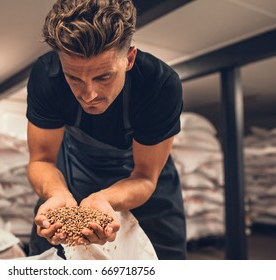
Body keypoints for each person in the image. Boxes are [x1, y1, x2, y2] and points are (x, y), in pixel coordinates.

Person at [26, 0, 186, 260]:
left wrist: (106, 199)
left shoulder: (160, 85)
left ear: (129, 59)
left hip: (145, 185)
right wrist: (57, 194)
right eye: (74, 78)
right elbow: (41, 160)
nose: (88, 95)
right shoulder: (46, 76)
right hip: (74, 174)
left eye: (103, 77)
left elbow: (145, 177)